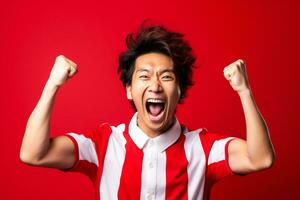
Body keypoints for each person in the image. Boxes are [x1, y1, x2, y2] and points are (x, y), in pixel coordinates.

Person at [20, 24, 275, 200]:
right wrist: (52, 85)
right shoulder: (104, 143)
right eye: (144, 76)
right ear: (129, 90)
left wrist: (245, 91)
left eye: (166, 77)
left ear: (179, 92)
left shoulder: (204, 149)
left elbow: (260, 158)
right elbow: (33, 153)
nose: (155, 85)